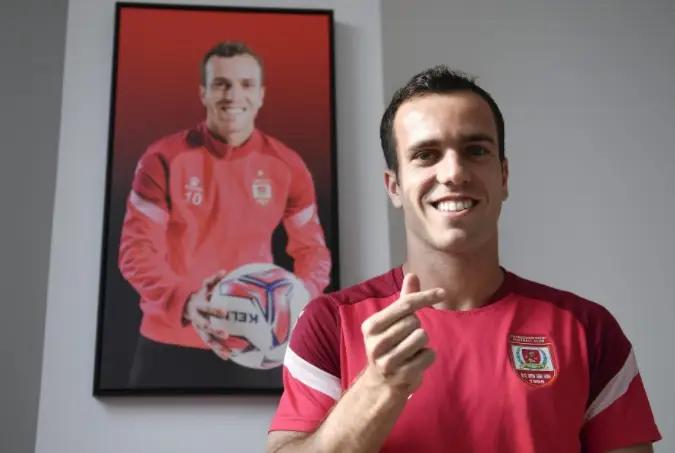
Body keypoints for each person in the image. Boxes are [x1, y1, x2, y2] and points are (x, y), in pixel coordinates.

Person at [266, 66, 660, 452]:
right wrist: (378, 387)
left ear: (503, 176)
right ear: (394, 186)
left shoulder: (589, 329)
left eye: (475, 151)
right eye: (426, 155)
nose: (454, 172)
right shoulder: (329, 323)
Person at [118, 41, 331, 388]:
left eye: (245, 85)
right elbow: (136, 250)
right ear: (203, 93)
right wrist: (187, 301)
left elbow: (313, 251)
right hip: (168, 342)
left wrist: (297, 302)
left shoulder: (287, 165)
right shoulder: (163, 158)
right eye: (221, 84)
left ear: (261, 95)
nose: (233, 96)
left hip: (256, 346)